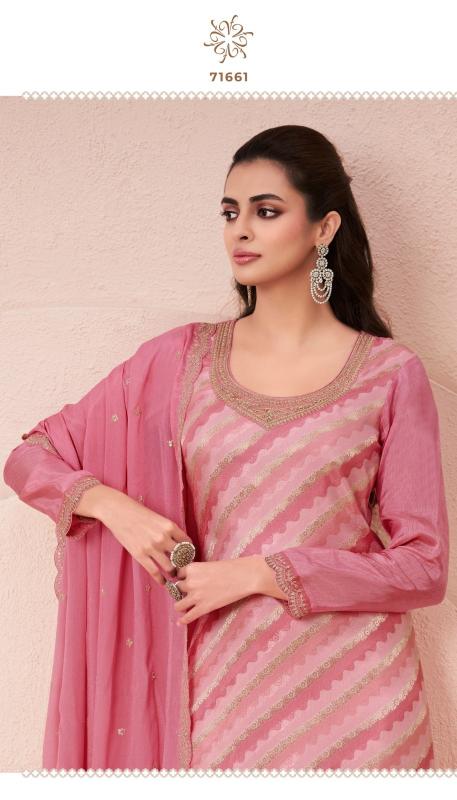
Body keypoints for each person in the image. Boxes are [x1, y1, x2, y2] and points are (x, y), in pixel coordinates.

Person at [3, 124, 449, 772]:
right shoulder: (180, 360)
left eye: (265, 212)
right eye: (229, 212)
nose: (240, 231)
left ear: (324, 228)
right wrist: (114, 509)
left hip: (361, 705)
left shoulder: (389, 373)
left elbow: (422, 568)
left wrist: (259, 572)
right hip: (219, 693)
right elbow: (30, 457)